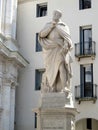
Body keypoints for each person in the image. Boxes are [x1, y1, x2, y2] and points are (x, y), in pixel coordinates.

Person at [38, 10, 73, 93]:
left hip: (60, 49)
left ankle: (64, 87)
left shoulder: (64, 26)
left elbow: (67, 39)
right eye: (53, 13)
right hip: (50, 51)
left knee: (61, 67)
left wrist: (65, 44)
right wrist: (51, 27)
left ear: (59, 16)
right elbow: (42, 35)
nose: (54, 15)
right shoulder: (48, 25)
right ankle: (51, 87)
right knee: (50, 70)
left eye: (56, 14)